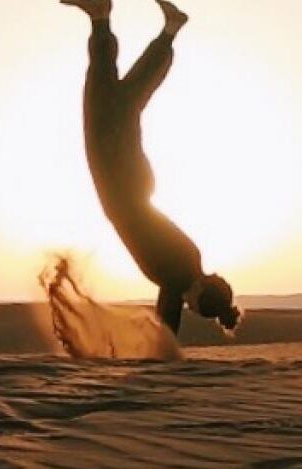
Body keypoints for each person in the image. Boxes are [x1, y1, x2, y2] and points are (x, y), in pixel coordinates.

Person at [61, 0, 241, 335]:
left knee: (123, 103)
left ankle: (150, 27)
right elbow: (169, 307)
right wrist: (166, 349)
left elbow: (169, 299)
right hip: (123, 185)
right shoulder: (180, 271)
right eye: (195, 305)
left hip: (129, 185)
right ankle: (105, 17)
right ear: (201, 293)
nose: (187, 305)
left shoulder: (187, 264)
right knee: (105, 107)